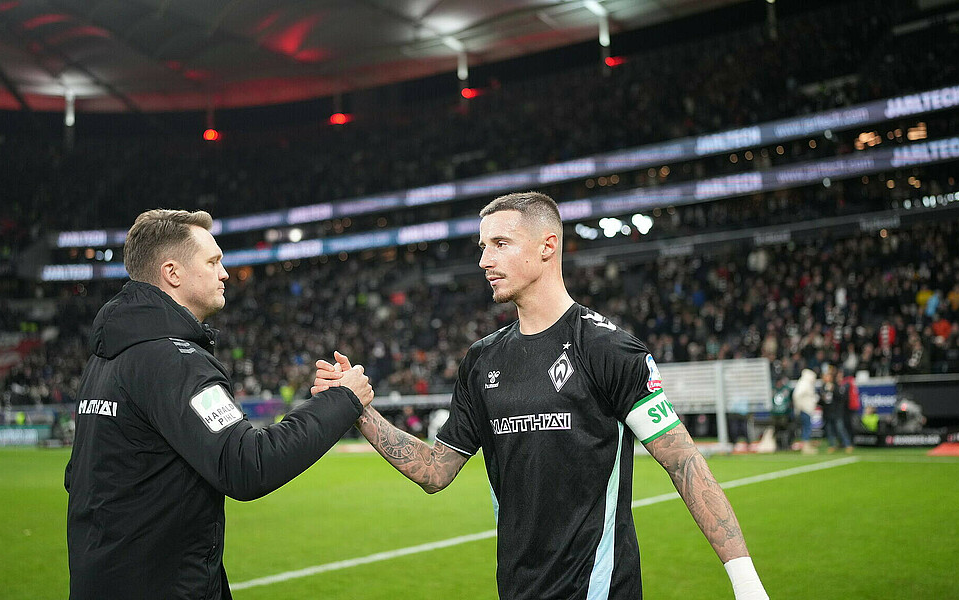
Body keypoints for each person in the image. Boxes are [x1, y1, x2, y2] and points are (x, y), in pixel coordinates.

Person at [314, 192, 769, 599]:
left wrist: (745, 581)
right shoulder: (481, 361)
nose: (484, 261)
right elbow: (435, 471)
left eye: (500, 244)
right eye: (482, 247)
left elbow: (684, 462)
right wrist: (359, 409)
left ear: (548, 246)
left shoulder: (608, 348)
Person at [65, 209, 374, 600]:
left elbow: (79, 477)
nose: (225, 273)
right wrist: (343, 400)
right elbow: (247, 464)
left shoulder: (106, 358)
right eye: (213, 262)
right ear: (172, 273)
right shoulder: (173, 360)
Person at [819, 370, 852, 453]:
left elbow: (841, 398)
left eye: (827, 376)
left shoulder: (836, 386)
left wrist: (834, 389)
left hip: (836, 412)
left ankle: (847, 444)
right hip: (827, 412)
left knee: (840, 429)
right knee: (829, 430)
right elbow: (821, 401)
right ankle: (832, 445)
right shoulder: (823, 387)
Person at [791, 368, 818, 454]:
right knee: (806, 428)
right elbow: (796, 395)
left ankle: (806, 446)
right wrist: (800, 407)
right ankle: (805, 447)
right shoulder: (804, 383)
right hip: (804, 409)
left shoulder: (805, 383)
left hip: (807, 409)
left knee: (807, 428)